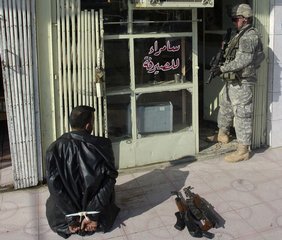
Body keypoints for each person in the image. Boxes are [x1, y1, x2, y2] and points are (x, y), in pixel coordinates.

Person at [45, 105, 120, 238]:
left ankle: (75, 222)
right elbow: (110, 179)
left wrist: (70, 217)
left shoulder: (54, 149)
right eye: (92, 122)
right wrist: (92, 214)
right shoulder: (103, 145)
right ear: (87, 126)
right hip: (99, 217)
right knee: (109, 185)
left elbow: (54, 187)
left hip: (64, 219)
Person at [207, 4, 265, 162]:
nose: (233, 22)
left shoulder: (249, 36)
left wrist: (222, 68)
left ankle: (243, 150)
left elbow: (243, 60)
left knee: (242, 115)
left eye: (235, 19)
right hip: (233, 80)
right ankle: (222, 134)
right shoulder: (239, 34)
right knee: (225, 107)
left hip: (242, 82)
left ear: (245, 19)